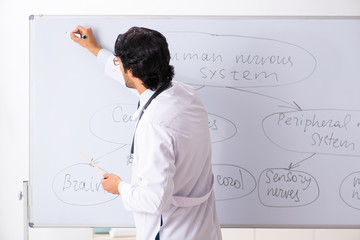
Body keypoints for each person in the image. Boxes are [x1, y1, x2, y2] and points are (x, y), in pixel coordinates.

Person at [71, 25, 222, 240]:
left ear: (131, 71)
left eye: (119, 62)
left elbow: (154, 201)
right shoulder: (186, 95)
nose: (118, 66)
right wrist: (94, 48)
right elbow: (138, 85)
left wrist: (119, 187)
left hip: (171, 232)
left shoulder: (154, 124)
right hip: (202, 229)